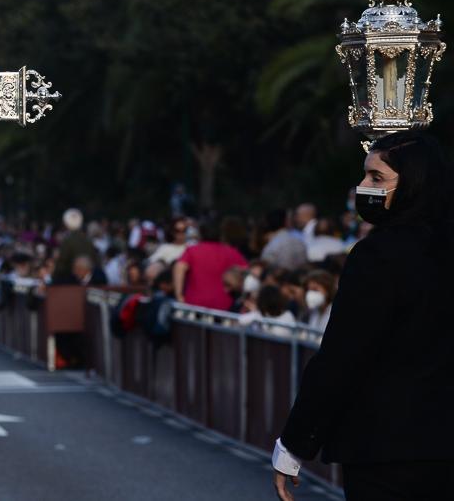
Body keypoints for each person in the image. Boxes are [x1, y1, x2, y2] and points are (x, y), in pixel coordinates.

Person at [272, 131, 454, 500]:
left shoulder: (380, 256)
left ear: (413, 185)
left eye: (376, 178)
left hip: (388, 452)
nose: (362, 187)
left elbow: (343, 356)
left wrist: (294, 445)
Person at [172, 219, 246, 311]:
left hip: (193, 305)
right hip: (224, 307)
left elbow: (179, 267)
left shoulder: (192, 251)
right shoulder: (232, 252)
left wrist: (179, 296)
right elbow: (245, 272)